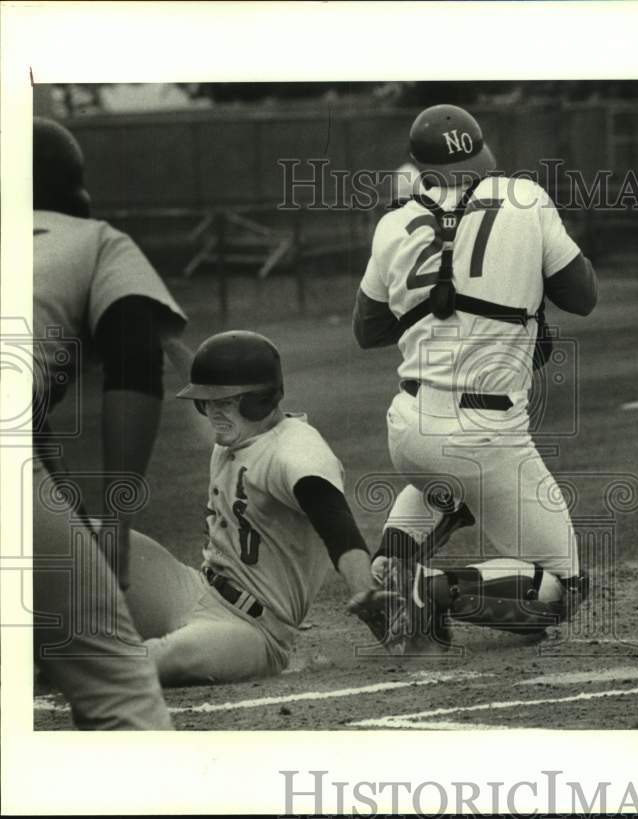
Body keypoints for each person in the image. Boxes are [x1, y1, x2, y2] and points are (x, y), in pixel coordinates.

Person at [353, 104, 597, 654]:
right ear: (481, 154)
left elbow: (367, 329)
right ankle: (423, 591)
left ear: (419, 165)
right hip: (486, 431)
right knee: (561, 593)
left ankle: (390, 570)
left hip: (409, 428)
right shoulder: (525, 197)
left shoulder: (394, 222)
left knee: (449, 487)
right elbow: (583, 297)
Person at [122, 330, 393, 685]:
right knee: (84, 535)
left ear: (258, 400)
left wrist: (362, 587)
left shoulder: (296, 453)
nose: (212, 412)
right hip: (192, 590)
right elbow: (205, 379)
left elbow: (336, 521)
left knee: (153, 660)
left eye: (224, 402)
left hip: (250, 631)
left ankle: (76, 665)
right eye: (206, 402)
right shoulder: (241, 431)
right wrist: (166, 334)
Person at [32, 117, 187, 729]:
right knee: (119, 691)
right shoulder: (93, 239)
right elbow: (134, 358)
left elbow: (35, 448)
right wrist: (116, 522)